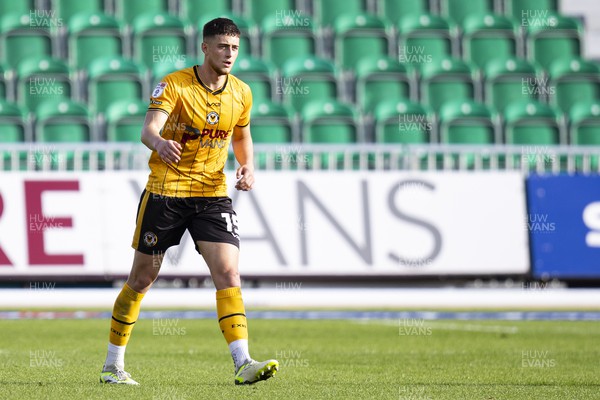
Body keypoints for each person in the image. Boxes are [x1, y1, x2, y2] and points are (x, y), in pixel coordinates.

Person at [99, 17, 278, 386]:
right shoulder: (175, 85)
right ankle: (112, 366)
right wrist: (160, 142)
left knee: (228, 273)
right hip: (167, 192)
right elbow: (148, 128)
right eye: (223, 47)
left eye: (235, 48)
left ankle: (243, 362)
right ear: (205, 48)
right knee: (142, 278)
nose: (230, 54)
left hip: (212, 195)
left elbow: (241, 135)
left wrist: (248, 166)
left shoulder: (242, 92)